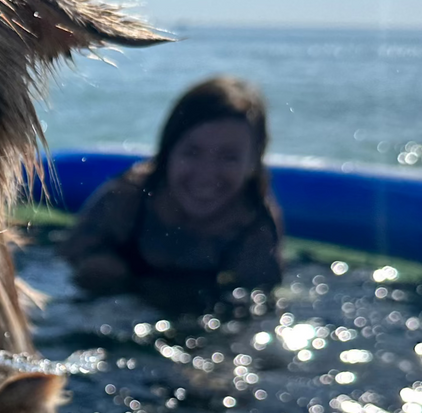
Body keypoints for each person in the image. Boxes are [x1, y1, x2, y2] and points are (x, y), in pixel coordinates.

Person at [59, 76, 283, 299]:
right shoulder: (129, 197)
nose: (206, 175)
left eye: (230, 157)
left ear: (254, 163)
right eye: (192, 153)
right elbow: (66, 259)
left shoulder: (254, 223)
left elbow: (262, 298)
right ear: (167, 154)